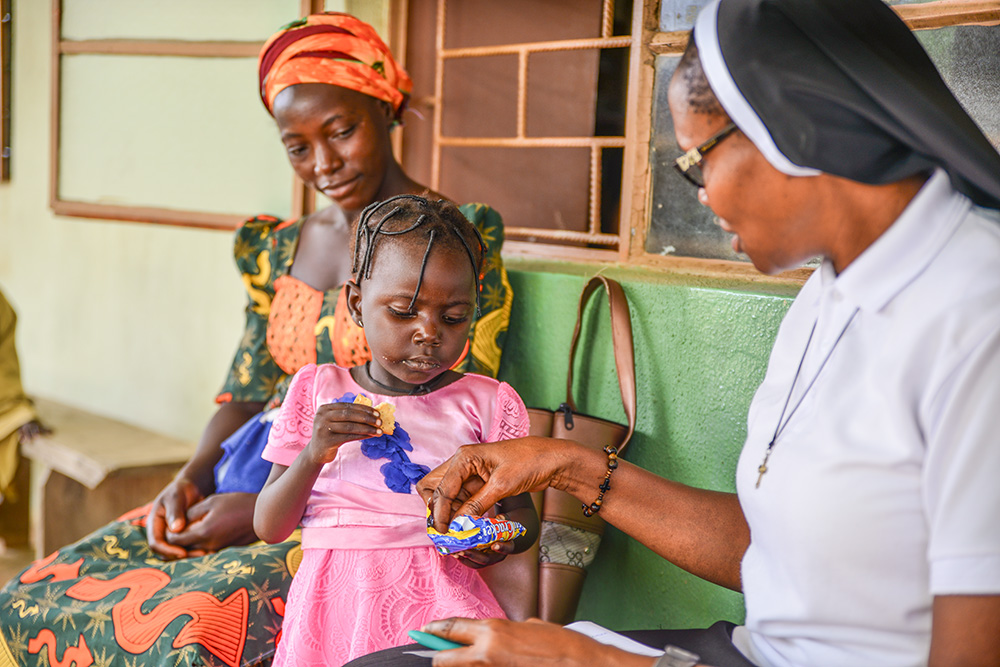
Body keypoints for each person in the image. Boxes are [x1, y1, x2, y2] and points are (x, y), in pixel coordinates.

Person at [348, 0, 1000, 665]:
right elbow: (778, 549)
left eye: (697, 161)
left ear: (791, 129)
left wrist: (596, 660)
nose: (699, 196)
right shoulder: (830, 295)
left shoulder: (977, 317)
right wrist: (565, 463)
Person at [0, 13, 514, 667]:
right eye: (297, 146)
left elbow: (454, 404)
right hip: (254, 480)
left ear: (385, 107)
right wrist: (188, 480)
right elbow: (245, 390)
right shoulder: (276, 248)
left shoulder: (453, 245)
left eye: (341, 131)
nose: (323, 162)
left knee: (183, 632)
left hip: (358, 526)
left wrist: (259, 508)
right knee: (30, 594)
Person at [254, 194, 538, 665]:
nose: (429, 332)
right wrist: (312, 455)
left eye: (453, 317)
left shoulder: (487, 403)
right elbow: (269, 524)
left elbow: (525, 520)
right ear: (357, 303)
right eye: (404, 312)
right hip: (332, 613)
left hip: (441, 610)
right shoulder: (316, 390)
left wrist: (499, 537)